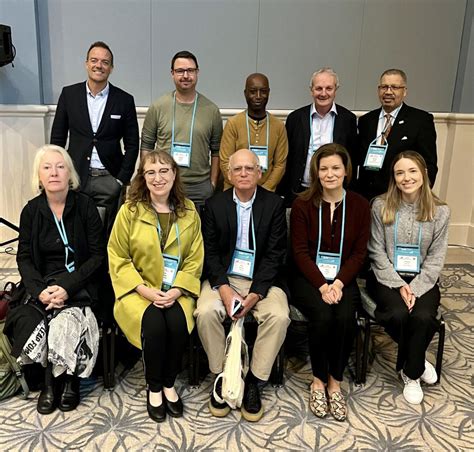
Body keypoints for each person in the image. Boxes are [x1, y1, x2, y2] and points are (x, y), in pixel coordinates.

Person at [4, 145, 105, 415]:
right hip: (43, 284)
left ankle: (68, 381)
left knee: (65, 322)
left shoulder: (85, 206)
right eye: (47, 167)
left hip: (80, 282)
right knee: (30, 320)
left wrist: (68, 287)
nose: (54, 172)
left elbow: (98, 256)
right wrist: (40, 291)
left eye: (60, 167)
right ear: (39, 175)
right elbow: (24, 258)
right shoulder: (31, 211)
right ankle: (49, 383)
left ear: (69, 173)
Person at [108, 151, 204, 423]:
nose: (158, 178)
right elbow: (118, 256)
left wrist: (177, 290)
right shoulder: (129, 211)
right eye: (150, 172)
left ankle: (169, 383)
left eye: (164, 171)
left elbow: (195, 258)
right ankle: (154, 387)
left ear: (174, 174)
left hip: (176, 290)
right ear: (143, 177)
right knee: (154, 326)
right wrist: (144, 290)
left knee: (176, 323)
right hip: (138, 290)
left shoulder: (189, 211)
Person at [195, 148, 290, 422]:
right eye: (238, 169)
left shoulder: (274, 204)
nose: (244, 173)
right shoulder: (214, 205)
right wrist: (224, 289)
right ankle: (222, 375)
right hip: (224, 277)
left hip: (262, 279)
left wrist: (256, 293)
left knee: (279, 315)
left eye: (250, 168)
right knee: (205, 312)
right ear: (229, 174)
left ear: (260, 173)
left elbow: (275, 254)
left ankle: (254, 382)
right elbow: (210, 253)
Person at [290, 143, 370, 421]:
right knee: (322, 315)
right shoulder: (302, 204)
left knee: (346, 316)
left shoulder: (360, 205)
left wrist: (337, 284)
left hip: (343, 279)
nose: (330, 174)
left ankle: (335, 381)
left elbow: (359, 253)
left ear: (346, 171)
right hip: (307, 279)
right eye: (323, 168)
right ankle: (317, 380)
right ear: (316, 172)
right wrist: (323, 287)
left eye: (336, 168)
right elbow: (299, 252)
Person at [367, 151, 449, 405]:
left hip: (424, 277)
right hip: (385, 276)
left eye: (412, 171)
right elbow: (376, 251)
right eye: (400, 173)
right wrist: (400, 284)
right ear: (393, 178)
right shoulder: (380, 206)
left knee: (423, 317)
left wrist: (416, 286)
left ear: (424, 173)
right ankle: (417, 361)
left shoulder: (440, 211)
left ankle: (411, 372)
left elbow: (436, 257)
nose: (406, 178)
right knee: (397, 314)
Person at [50, 41, 139, 235]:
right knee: (76, 231)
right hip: (76, 176)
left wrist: (121, 180)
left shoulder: (124, 100)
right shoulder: (69, 94)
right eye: (94, 60)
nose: (99, 65)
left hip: (110, 178)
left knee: (108, 233)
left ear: (111, 68)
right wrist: (60, 173)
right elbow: (57, 139)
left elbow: (132, 144)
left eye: (105, 62)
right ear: (86, 64)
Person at [141, 50, 223, 210]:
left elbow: (217, 151)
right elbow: (146, 146)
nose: (185, 75)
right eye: (180, 71)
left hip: (199, 187)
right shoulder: (158, 107)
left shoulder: (211, 110)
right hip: (164, 184)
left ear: (197, 72)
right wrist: (147, 178)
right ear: (172, 73)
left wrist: (212, 183)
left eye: (190, 70)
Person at [278, 68, 357, 206]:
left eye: (329, 88)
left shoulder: (347, 119)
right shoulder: (295, 118)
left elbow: (352, 158)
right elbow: (287, 157)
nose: (323, 93)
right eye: (319, 88)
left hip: (334, 191)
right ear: (311, 90)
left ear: (336, 90)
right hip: (300, 191)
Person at [356, 69, 438, 201]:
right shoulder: (366, 120)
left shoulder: (420, 120)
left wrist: (419, 198)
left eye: (394, 87)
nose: (388, 92)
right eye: (384, 87)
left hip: (401, 197)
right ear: (378, 90)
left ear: (404, 91)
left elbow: (429, 164)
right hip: (367, 196)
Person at [219, 73, 288, 191]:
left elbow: (280, 165)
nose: (258, 96)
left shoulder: (278, 126)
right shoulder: (233, 123)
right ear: (245, 93)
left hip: (266, 193)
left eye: (263, 91)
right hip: (234, 191)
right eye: (253, 92)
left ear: (269, 93)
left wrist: (263, 192)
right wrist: (242, 187)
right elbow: (225, 162)